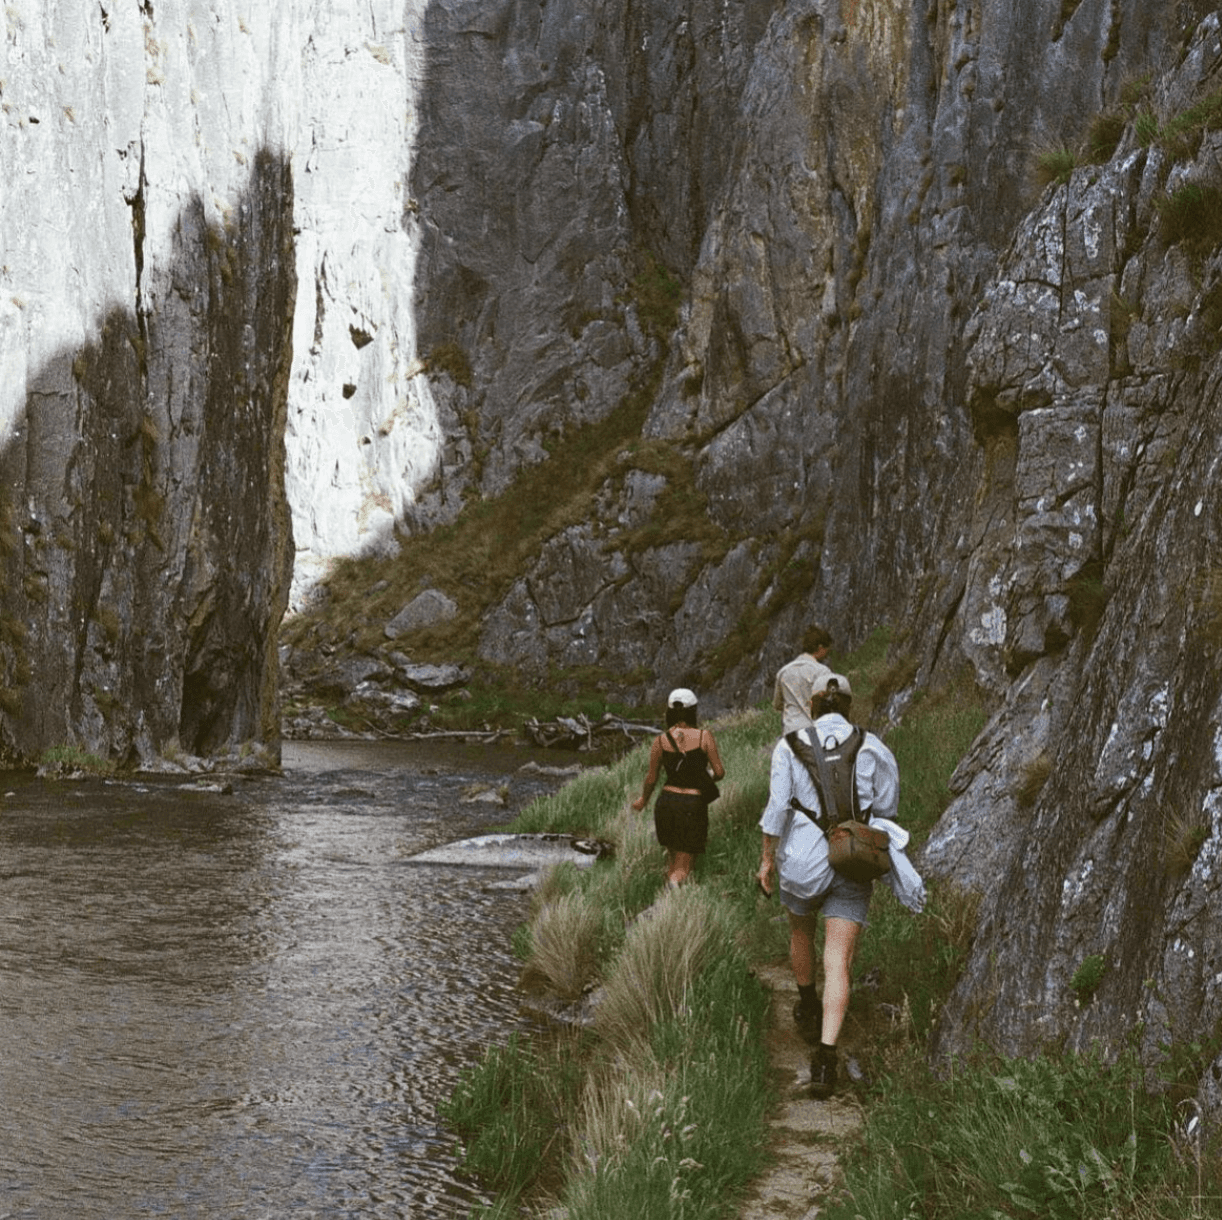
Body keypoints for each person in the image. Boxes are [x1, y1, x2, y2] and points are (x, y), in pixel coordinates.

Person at [756, 672, 903, 1099]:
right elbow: (887, 808)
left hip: (802, 860)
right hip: (853, 860)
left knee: (800, 930)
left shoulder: (789, 745)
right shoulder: (874, 746)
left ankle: (806, 1002)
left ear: (814, 705)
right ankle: (825, 1058)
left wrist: (767, 860)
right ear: (849, 707)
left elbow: (776, 809)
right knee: (838, 959)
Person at [632, 688, 726, 889]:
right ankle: (673, 900)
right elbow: (719, 772)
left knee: (672, 862)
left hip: (666, 803)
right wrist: (704, 776)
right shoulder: (704, 737)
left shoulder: (661, 740)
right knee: (683, 868)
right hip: (692, 806)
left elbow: (651, 778)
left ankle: (666, 908)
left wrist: (642, 801)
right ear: (693, 711)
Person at [772, 626, 833, 735]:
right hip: (813, 732)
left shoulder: (783, 672)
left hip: (789, 733)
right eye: (827, 649)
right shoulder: (822, 672)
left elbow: (777, 704)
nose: (828, 653)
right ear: (820, 648)